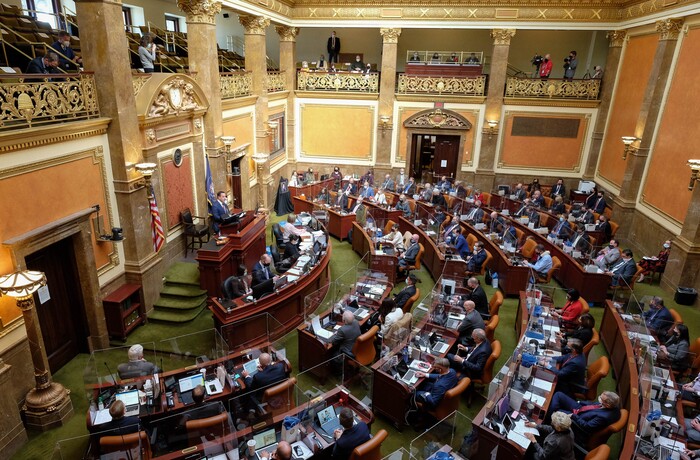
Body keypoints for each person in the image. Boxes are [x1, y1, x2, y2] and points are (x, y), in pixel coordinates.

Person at [548, 391, 621, 446]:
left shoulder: (603, 417)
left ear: (608, 405)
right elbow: (593, 405)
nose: (599, 400)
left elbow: (587, 426)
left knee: (555, 412)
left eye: (601, 399)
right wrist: (580, 402)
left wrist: (574, 416)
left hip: (578, 419)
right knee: (558, 395)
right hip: (581, 409)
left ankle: (549, 418)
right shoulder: (613, 406)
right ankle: (551, 415)